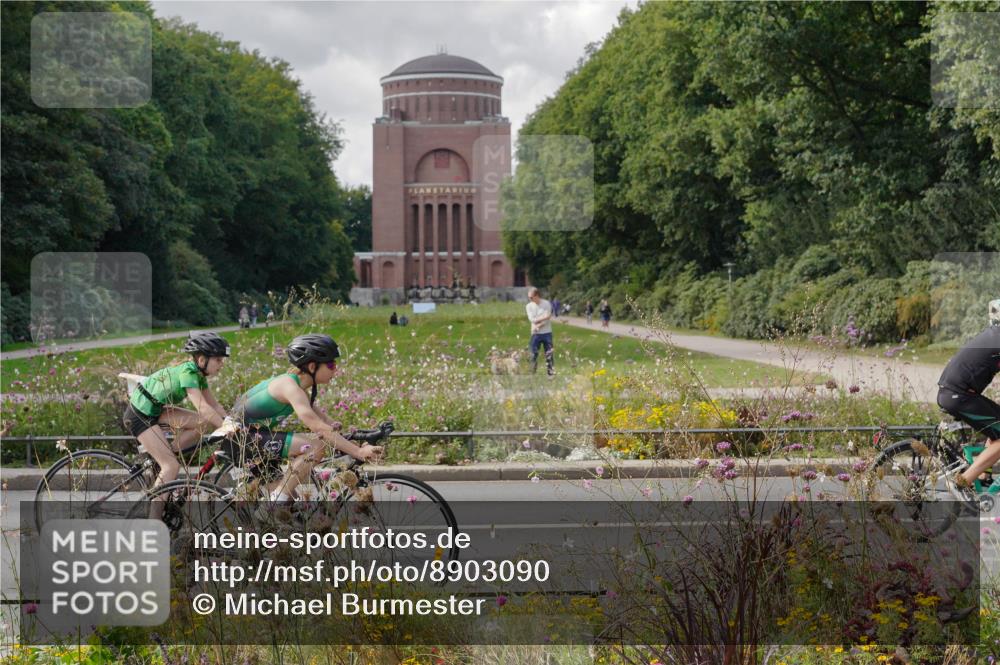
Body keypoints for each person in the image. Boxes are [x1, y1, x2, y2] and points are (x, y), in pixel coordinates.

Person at [229, 334, 383, 502]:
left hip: (253, 437)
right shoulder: (290, 387)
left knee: (290, 510)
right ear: (312, 366)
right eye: (331, 364)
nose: (336, 370)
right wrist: (359, 452)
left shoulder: (299, 388)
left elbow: (326, 422)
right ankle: (276, 500)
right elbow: (318, 427)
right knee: (314, 447)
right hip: (239, 439)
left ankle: (273, 507)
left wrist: (357, 442)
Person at [123, 332, 231, 516]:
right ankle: (153, 521)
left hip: (154, 410)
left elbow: (213, 405)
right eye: (219, 360)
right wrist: (225, 427)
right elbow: (202, 407)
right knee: (171, 467)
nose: (222, 364)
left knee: (202, 423)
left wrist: (229, 420)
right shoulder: (188, 373)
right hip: (139, 415)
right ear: (202, 359)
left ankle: (165, 454)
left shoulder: (198, 374)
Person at [941, 299, 1000, 491]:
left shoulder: (993, 336)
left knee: (996, 423)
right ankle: (963, 481)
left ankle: (983, 477)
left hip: (955, 393)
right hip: (960, 396)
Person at [525, 287, 555, 376]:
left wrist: (538, 325)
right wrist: (545, 317)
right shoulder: (529, 306)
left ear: (537, 295)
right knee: (533, 354)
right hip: (535, 334)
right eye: (529, 297)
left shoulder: (546, 304)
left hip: (547, 333)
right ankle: (532, 373)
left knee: (549, 354)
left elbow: (547, 320)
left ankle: (551, 374)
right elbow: (532, 319)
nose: (529, 299)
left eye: (531, 297)